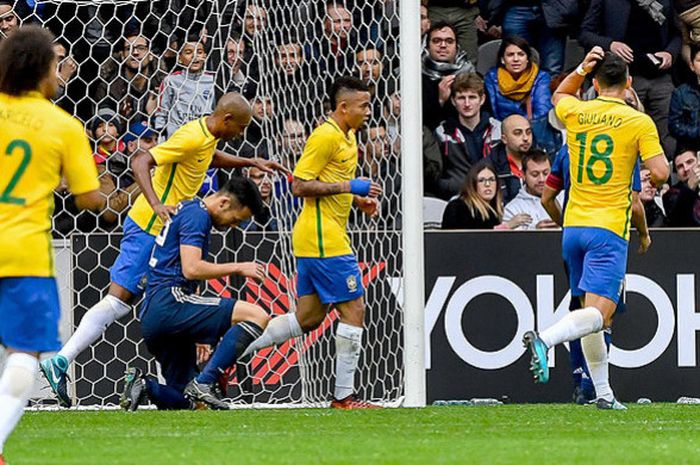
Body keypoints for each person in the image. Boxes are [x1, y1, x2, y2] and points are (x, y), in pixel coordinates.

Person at [40, 93, 289, 408]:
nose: (241, 134)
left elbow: (209, 157)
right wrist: (157, 204)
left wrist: (249, 161)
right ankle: (62, 360)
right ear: (227, 119)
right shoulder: (191, 136)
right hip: (148, 225)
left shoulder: (205, 138)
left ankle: (165, 384)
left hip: (164, 229)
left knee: (160, 302)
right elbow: (140, 160)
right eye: (240, 128)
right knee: (119, 301)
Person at [524, 47, 669, 410]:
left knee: (594, 318)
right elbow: (663, 173)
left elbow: (558, 96)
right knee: (599, 314)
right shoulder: (638, 122)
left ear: (595, 82)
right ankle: (544, 338)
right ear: (629, 82)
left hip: (573, 228)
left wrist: (580, 68)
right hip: (607, 229)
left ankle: (603, 393)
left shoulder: (578, 112)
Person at [240, 77, 383, 409]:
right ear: (343, 107)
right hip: (323, 240)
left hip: (319, 236)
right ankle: (344, 397)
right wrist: (350, 185)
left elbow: (331, 185)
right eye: (363, 105)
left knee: (307, 319)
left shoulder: (348, 137)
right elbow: (299, 186)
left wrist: (357, 199)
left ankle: (223, 358)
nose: (368, 111)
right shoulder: (325, 136)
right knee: (354, 310)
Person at [0, 26, 103, 464]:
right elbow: (89, 198)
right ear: (44, 70)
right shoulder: (63, 125)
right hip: (25, 252)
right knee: (24, 353)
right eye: (57, 65)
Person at [120, 179, 269, 411]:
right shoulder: (197, 216)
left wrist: (199, 331)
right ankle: (206, 382)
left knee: (190, 403)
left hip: (155, 312)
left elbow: (189, 274)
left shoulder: (190, 211)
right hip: (170, 301)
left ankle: (144, 385)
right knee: (256, 315)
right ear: (224, 202)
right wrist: (239, 266)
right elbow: (192, 268)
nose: (234, 226)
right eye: (236, 219)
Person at [579, 0, 681, 158]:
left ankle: (668, 178)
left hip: (660, 77)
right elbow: (585, 34)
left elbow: (677, 34)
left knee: (667, 136)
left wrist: (670, 53)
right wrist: (610, 45)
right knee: (625, 135)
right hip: (623, 79)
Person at [434, 72, 497, 200]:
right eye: (461, 98)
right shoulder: (442, 132)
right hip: (457, 199)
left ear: (482, 99)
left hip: (495, 199)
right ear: (453, 101)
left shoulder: (498, 130)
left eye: (472, 97)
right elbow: (437, 173)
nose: (467, 104)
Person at [154, 35, 215, 139]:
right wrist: (160, 137)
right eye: (188, 52)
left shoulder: (212, 81)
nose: (194, 56)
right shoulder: (171, 81)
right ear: (180, 58)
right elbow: (162, 112)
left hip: (202, 138)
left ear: (205, 56)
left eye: (199, 52)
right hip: (176, 138)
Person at [441, 160, 530, 230]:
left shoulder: (494, 212)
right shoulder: (457, 207)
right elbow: (470, 239)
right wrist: (507, 226)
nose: (487, 184)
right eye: (481, 180)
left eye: (491, 179)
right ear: (472, 184)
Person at [484, 36, 552, 123]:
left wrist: (517, 126)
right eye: (510, 55)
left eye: (521, 54)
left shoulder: (541, 77)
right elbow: (490, 112)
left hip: (530, 128)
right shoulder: (492, 77)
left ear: (527, 59)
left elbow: (542, 112)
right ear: (502, 60)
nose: (516, 59)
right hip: (500, 129)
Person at [422, 21, 475, 130]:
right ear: (427, 47)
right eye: (436, 41)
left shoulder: (472, 76)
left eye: (449, 41)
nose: (443, 45)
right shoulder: (416, 77)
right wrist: (441, 100)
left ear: (457, 47)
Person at [502, 149, 558, 230]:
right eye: (535, 174)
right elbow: (507, 241)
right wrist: (534, 232)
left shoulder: (565, 199)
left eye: (546, 173)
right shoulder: (512, 209)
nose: (541, 179)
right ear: (523, 175)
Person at [487, 114, 533, 204]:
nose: (525, 138)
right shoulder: (490, 166)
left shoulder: (541, 160)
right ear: (504, 139)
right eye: (517, 133)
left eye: (528, 132)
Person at [668, 43, 700, 149]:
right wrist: (696, 131)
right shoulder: (680, 93)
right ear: (692, 66)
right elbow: (674, 126)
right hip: (691, 148)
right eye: (699, 61)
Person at [662, 148, 700, 226]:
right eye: (680, 167)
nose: (686, 169)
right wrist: (689, 188)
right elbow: (677, 221)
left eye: (689, 162)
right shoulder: (671, 195)